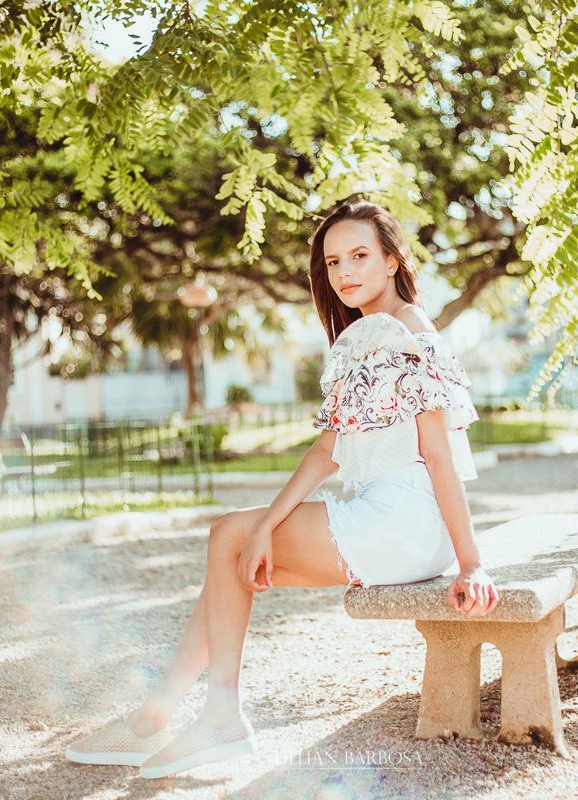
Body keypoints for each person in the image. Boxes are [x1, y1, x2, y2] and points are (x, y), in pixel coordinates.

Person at [65, 200, 500, 779]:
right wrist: (265, 526)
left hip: (405, 521)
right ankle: (154, 716)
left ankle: (215, 716)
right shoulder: (378, 332)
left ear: (394, 260)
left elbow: (438, 452)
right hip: (393, 519)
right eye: (334, 261)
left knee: (228, 537)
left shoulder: (399, 332)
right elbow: (327, 451)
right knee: (235, 558)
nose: (344, 272)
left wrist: (472, 563)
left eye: (361, 256)